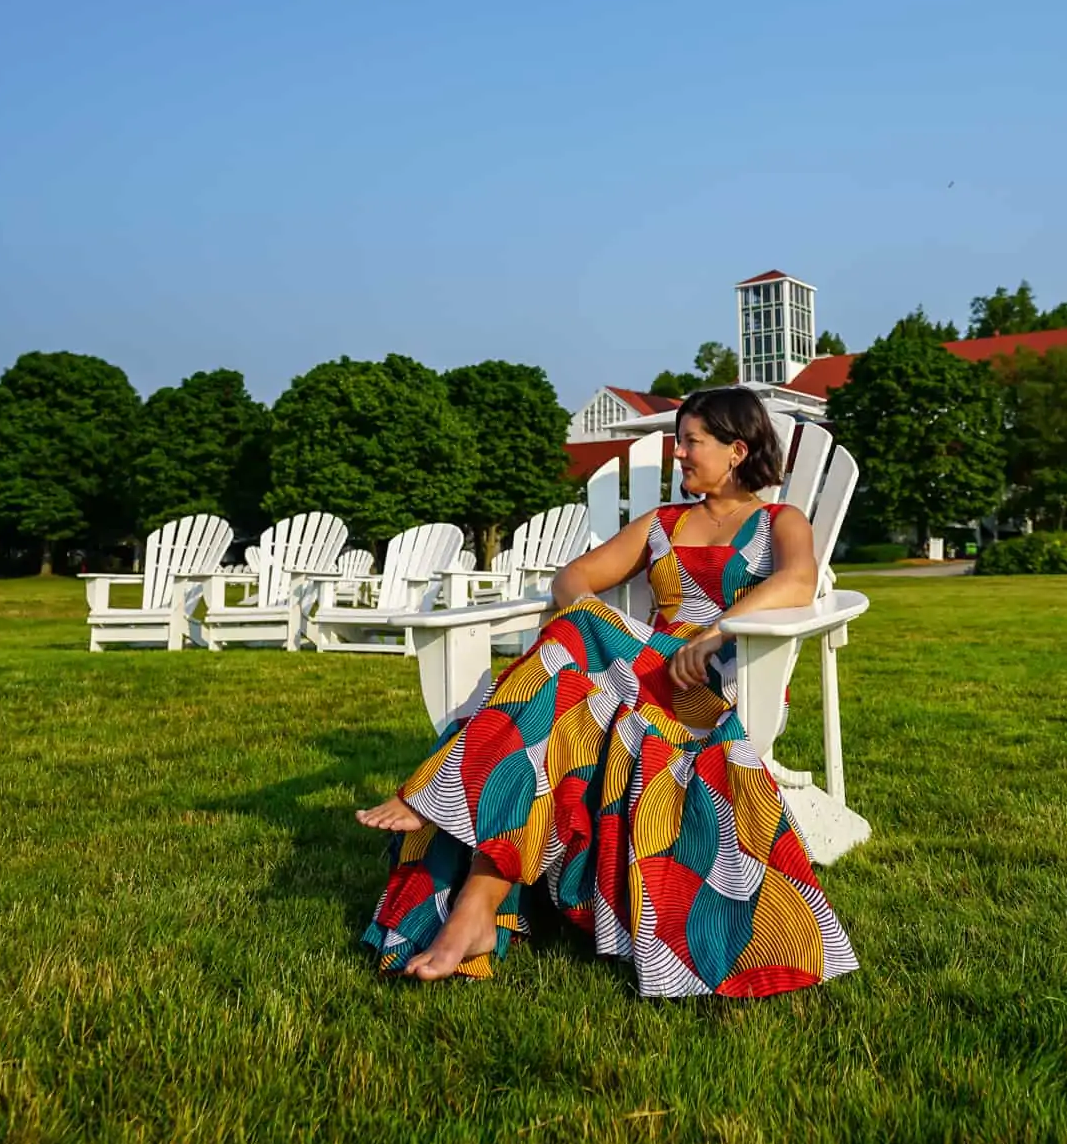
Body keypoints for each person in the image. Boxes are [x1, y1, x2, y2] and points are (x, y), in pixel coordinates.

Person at [356, 386, 858, 998]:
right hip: (630, 678)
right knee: (574, 650)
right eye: (677, 442)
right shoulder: (662, 524)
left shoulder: (781, 521)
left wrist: (713, 631)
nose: (679, 455)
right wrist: (588, 636)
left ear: (736, 450)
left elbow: (799, 580)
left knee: (571, 652)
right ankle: (474, 915)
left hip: (712, 682)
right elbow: (574, 577)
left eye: (691, 442)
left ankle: (445, 794)